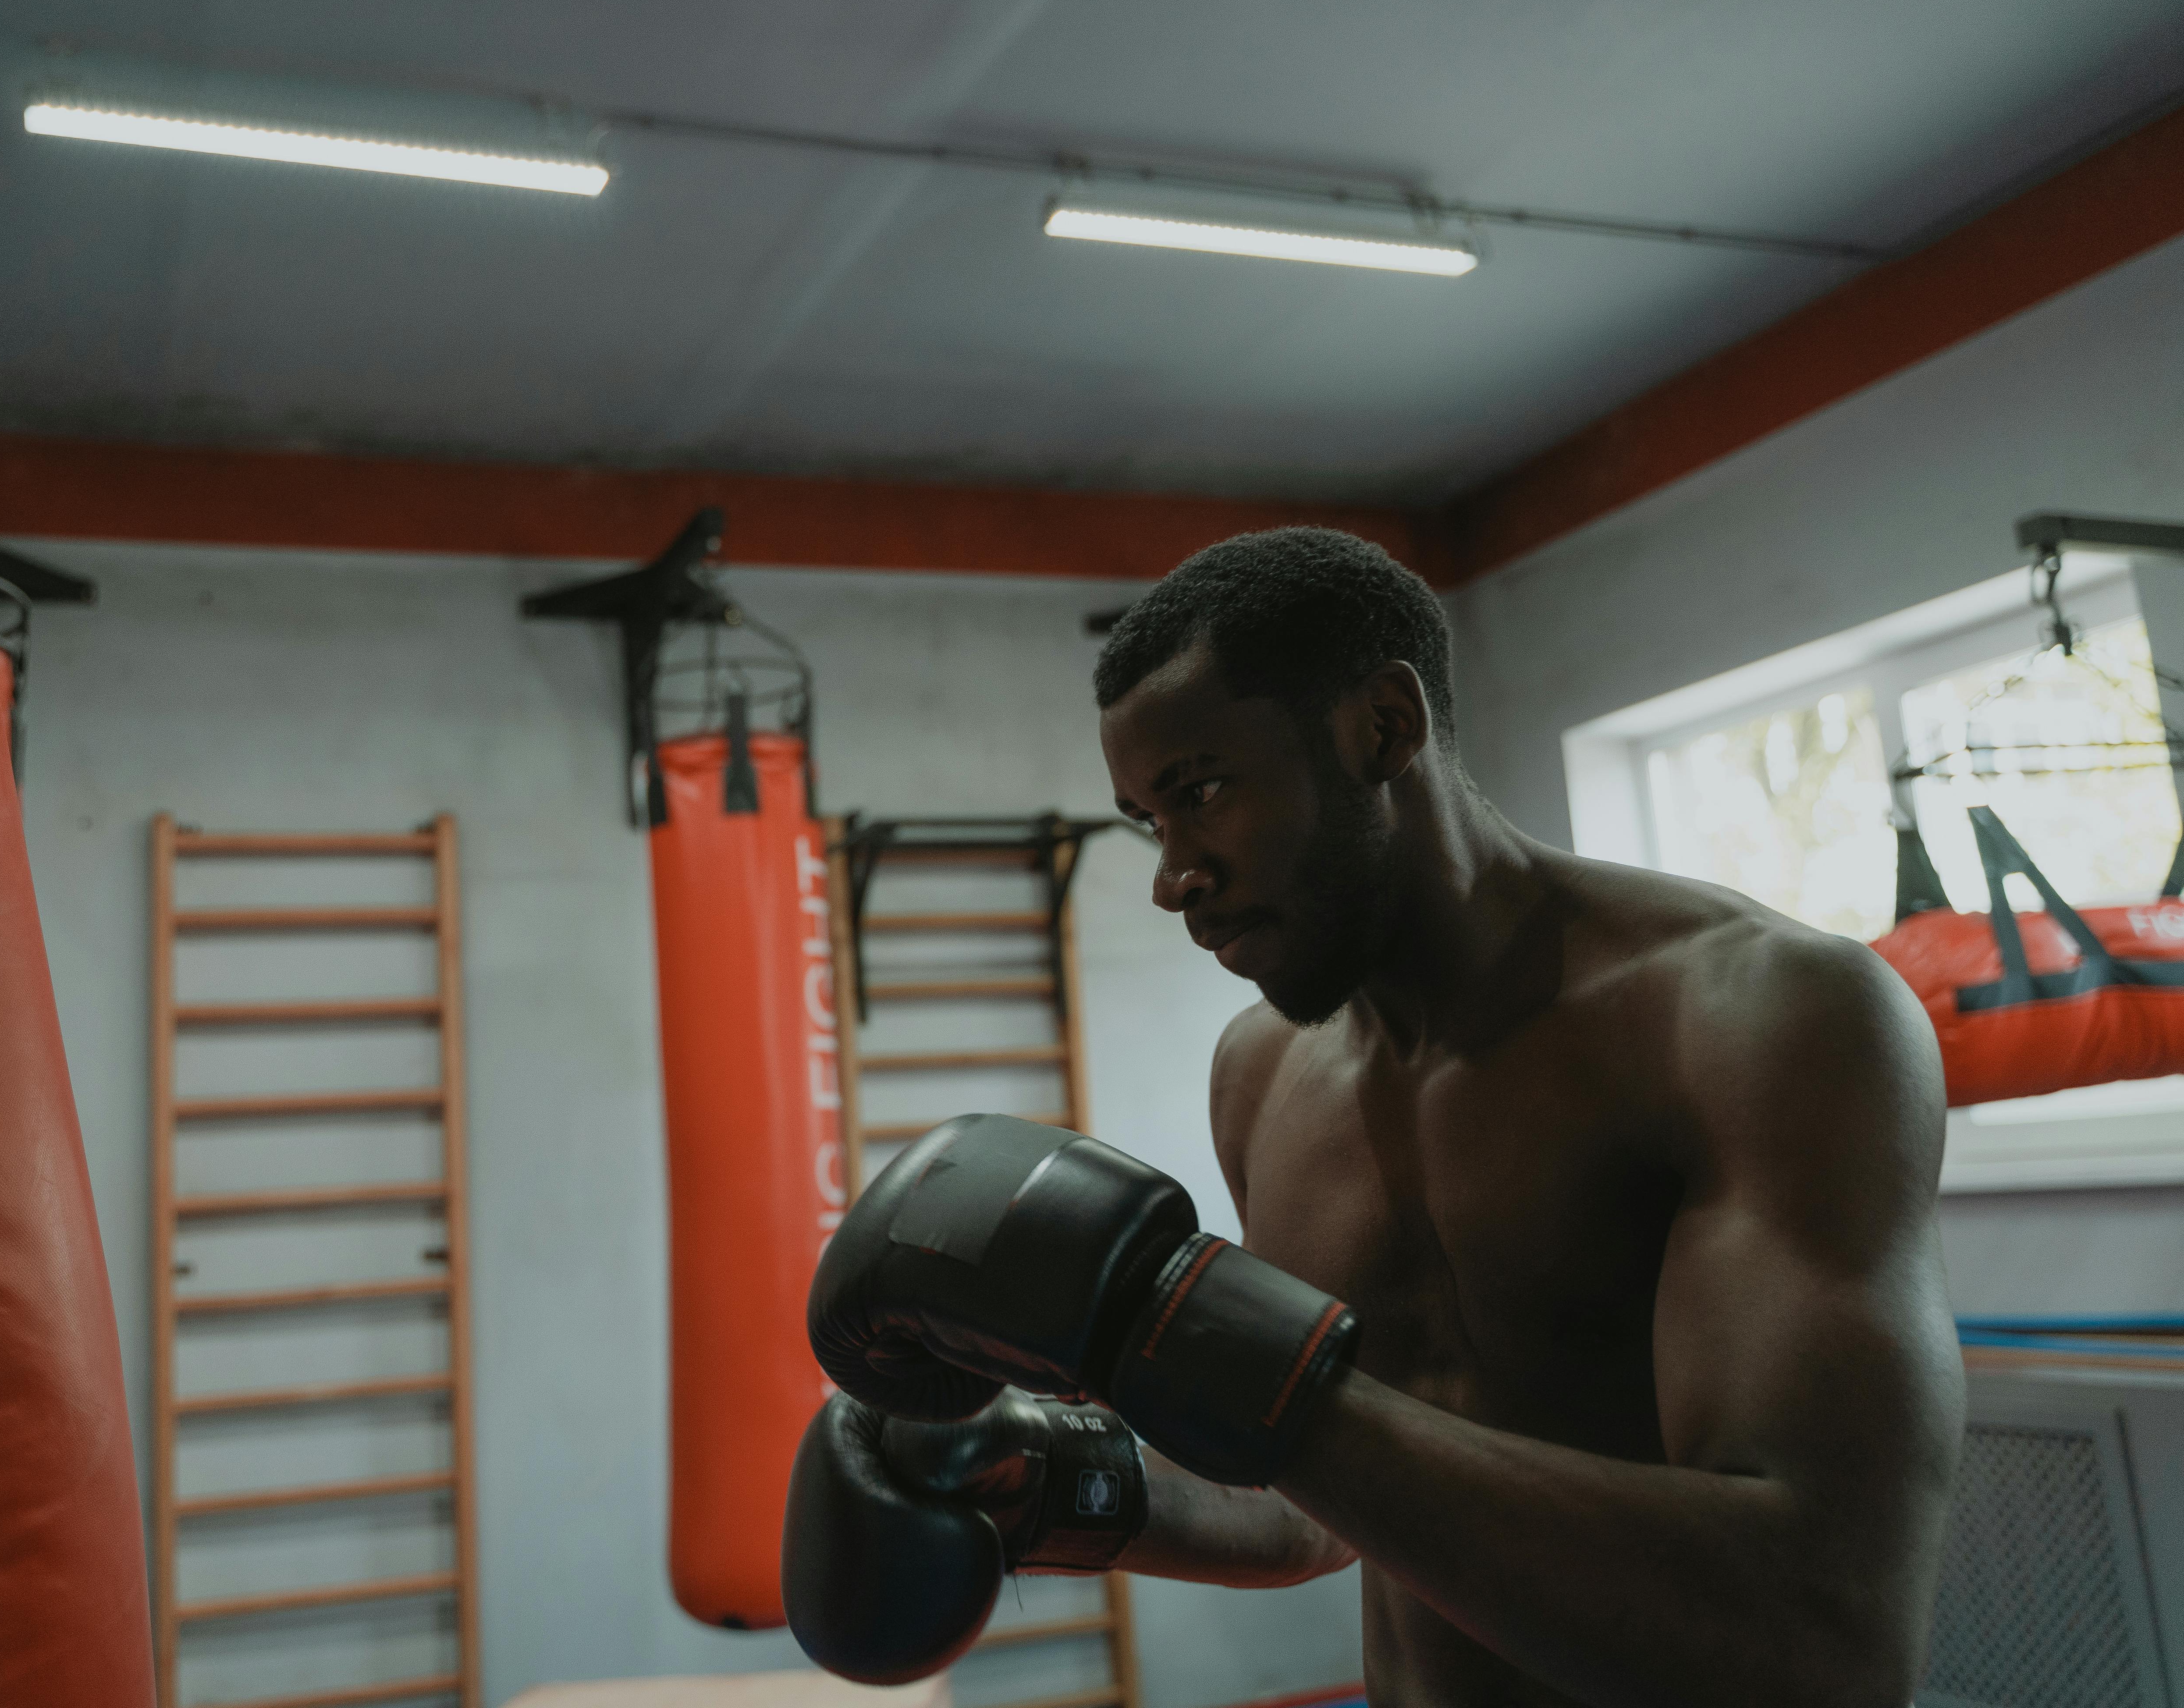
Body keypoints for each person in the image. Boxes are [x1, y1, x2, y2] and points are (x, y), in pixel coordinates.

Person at [785, 529, 1963, 1708]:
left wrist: (1184, 1336)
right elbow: (1320, 1509)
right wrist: (1039, 1474)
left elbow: (1824, 1642)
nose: (1171, 872)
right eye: (1150, 819)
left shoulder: (1756, 1022)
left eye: (1200, 793)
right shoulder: (1263, 1077)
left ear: (1383, 729)